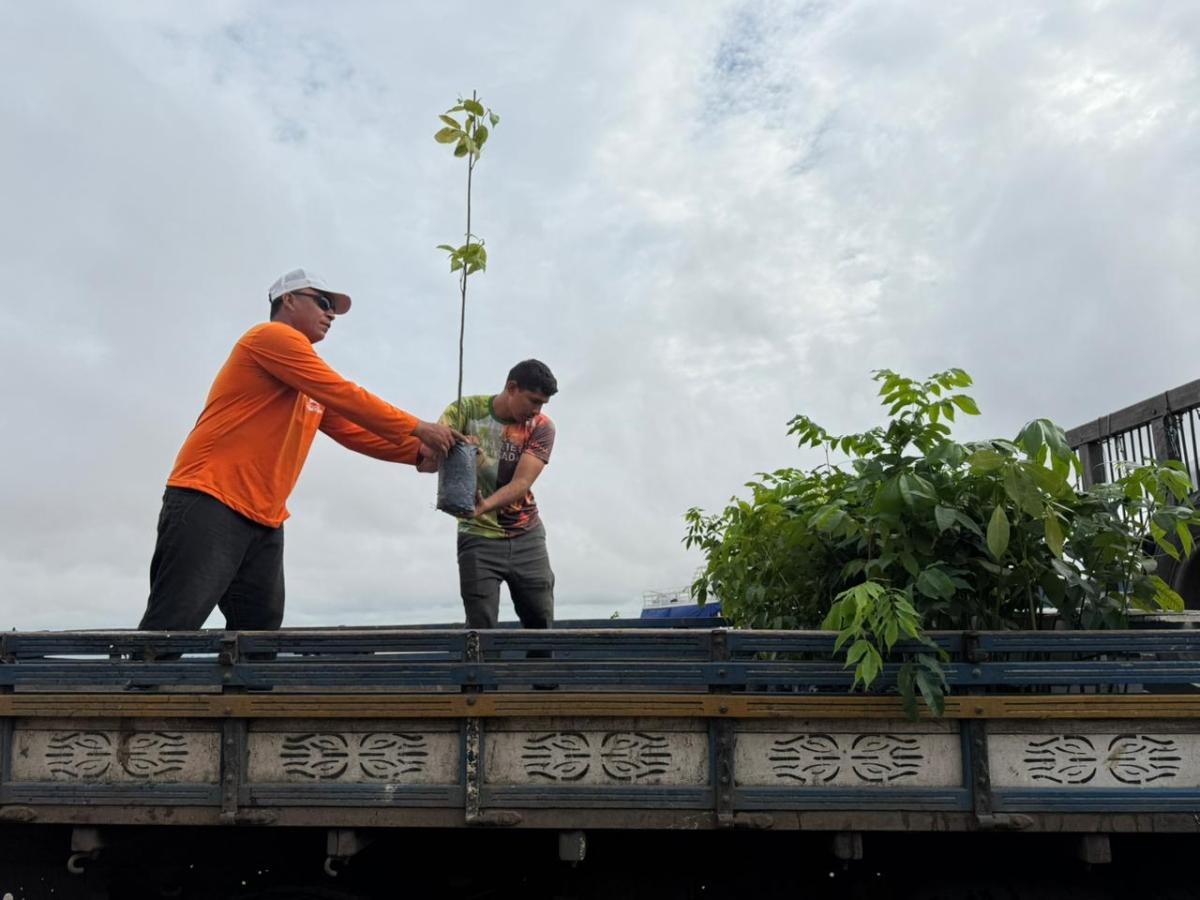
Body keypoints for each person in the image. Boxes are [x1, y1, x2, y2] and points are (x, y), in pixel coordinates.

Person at [138, 268, 460, 634]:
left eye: (333, 310)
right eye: (322, 303)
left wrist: (417, 453)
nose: (331, 315)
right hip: (210, 498)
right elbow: (344, 392)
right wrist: (421, 428)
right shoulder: (271, 337)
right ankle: (141, 691)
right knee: (174, 621)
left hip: (264, 517)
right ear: (288, 300)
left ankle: (244, 693)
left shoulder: (306, 385)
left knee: (258, 630)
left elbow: (352, 429)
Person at [419, 360, 558, 633]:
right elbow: (426, 461)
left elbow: (522, 482)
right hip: (477, 537)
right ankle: (481, 677)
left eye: (542, 404)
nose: (536, 410)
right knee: (480, 630)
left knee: (540, 621)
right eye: (533, 401)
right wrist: (452, 446)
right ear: (511, 387)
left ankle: (543, 677)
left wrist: (484, 506)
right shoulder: (466, 410)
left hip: (526, 534)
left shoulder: (542, 426)